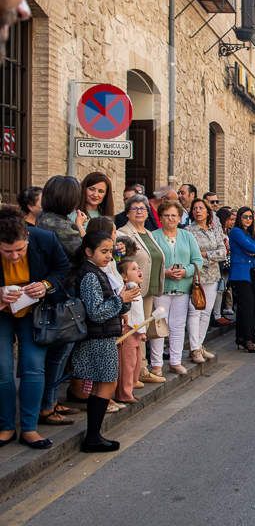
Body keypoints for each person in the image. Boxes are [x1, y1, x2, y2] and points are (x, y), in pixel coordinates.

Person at [0, 205, 70, 450]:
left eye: (19, 249)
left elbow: (63, 269)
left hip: (35, 313)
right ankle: (6, 426)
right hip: (2, 314)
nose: (15, 256)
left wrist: (45, 285)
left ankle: (29, 428)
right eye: (7, 251)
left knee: (33, 367)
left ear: (27, 237)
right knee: (2, 368)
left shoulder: (45, 238)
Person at [72, 231, 141, 452]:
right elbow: (96, 312)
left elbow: (112, 306)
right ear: (88, 252)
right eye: (103, 251)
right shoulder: (90, 275)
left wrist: (125, 300)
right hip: (98, 336)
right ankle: (93, 436)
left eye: (110, 251)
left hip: (104, 334)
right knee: (107, 382)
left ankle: (95, 434)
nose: (108, 256)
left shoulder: (98, 272)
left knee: (106, 382)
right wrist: (120, 299)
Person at [36, 176, 86, 424]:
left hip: (56, 293)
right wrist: (81, 228)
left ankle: (52, 401)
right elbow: (84, 252)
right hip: (61, 295)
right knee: (59, 351)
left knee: (58, 352)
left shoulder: (47, 219)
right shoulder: (58, 225)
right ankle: (47, 405)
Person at [116, 194, 166, 385]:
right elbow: (122, 262)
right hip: (134, 290)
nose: (139, 211)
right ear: (127, 213)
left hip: (150, 288)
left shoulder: (149, 233)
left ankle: (140, 369)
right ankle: (137, 372)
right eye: (135, 208)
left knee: (143, 330)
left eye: (143, 208)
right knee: (135, 331)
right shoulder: (123, 233)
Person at [151, 201, 203, 374]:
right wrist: (164, 272)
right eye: (166, 215)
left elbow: (197, 261)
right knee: (159, 325)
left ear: (180, 217)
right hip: (162, 288)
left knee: (178, 325)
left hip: (182, 288)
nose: (170, 219)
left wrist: (185, 271)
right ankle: (156, 364)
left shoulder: (187, 236)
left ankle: (175, 361)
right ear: (160, 217)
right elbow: (150, 262)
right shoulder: (154, 236)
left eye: (174, 215)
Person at [185, 198, 226, 363]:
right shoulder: (188, 231)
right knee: (195, 311)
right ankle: (194, 348)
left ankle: (199, 345)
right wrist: (207, 255)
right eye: (195, 208)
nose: (198, 211)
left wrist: (205, 254)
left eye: (201, 208)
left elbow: (223, 252)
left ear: (207, 211)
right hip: (197, 276)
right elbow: (191, 254)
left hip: (213, 276)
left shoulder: (214, 229)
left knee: (206, 312)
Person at [228, 207, 255, 353]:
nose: (248, 220)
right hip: (240, 274)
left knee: (246, 308)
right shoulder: (237, 232)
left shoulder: (249, 233)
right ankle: (248, 340)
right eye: (245, 217)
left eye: (251, 217)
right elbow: (254, 248)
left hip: (248, 273)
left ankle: (242, 338)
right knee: (247, 308)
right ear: (239, 217)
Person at [114, 257, 145, 404]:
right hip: (129, 330)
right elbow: (130, 313)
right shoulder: (130, 287)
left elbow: (139, 313)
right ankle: (124, 393)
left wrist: (142, 331)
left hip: (137, 331)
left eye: (139, 268)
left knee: (135, 362)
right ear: (124, 277)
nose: (139, 270)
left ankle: (130, 388)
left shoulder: (135, 288)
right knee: (127, 364)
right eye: (134, 269)